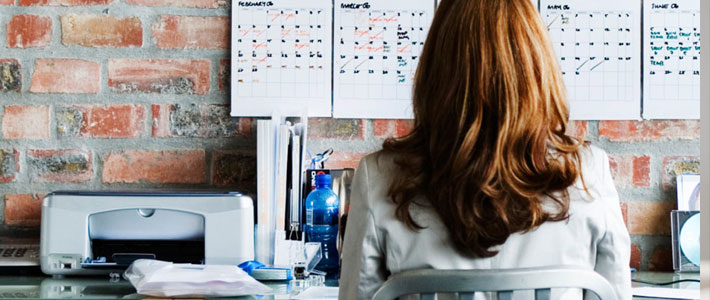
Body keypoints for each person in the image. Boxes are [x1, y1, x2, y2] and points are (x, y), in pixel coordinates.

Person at [338, 0, 631, 299]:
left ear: (436, 72)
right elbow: (616, 294)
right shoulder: (588, 173)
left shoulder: (379, 178)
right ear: (537, 70)